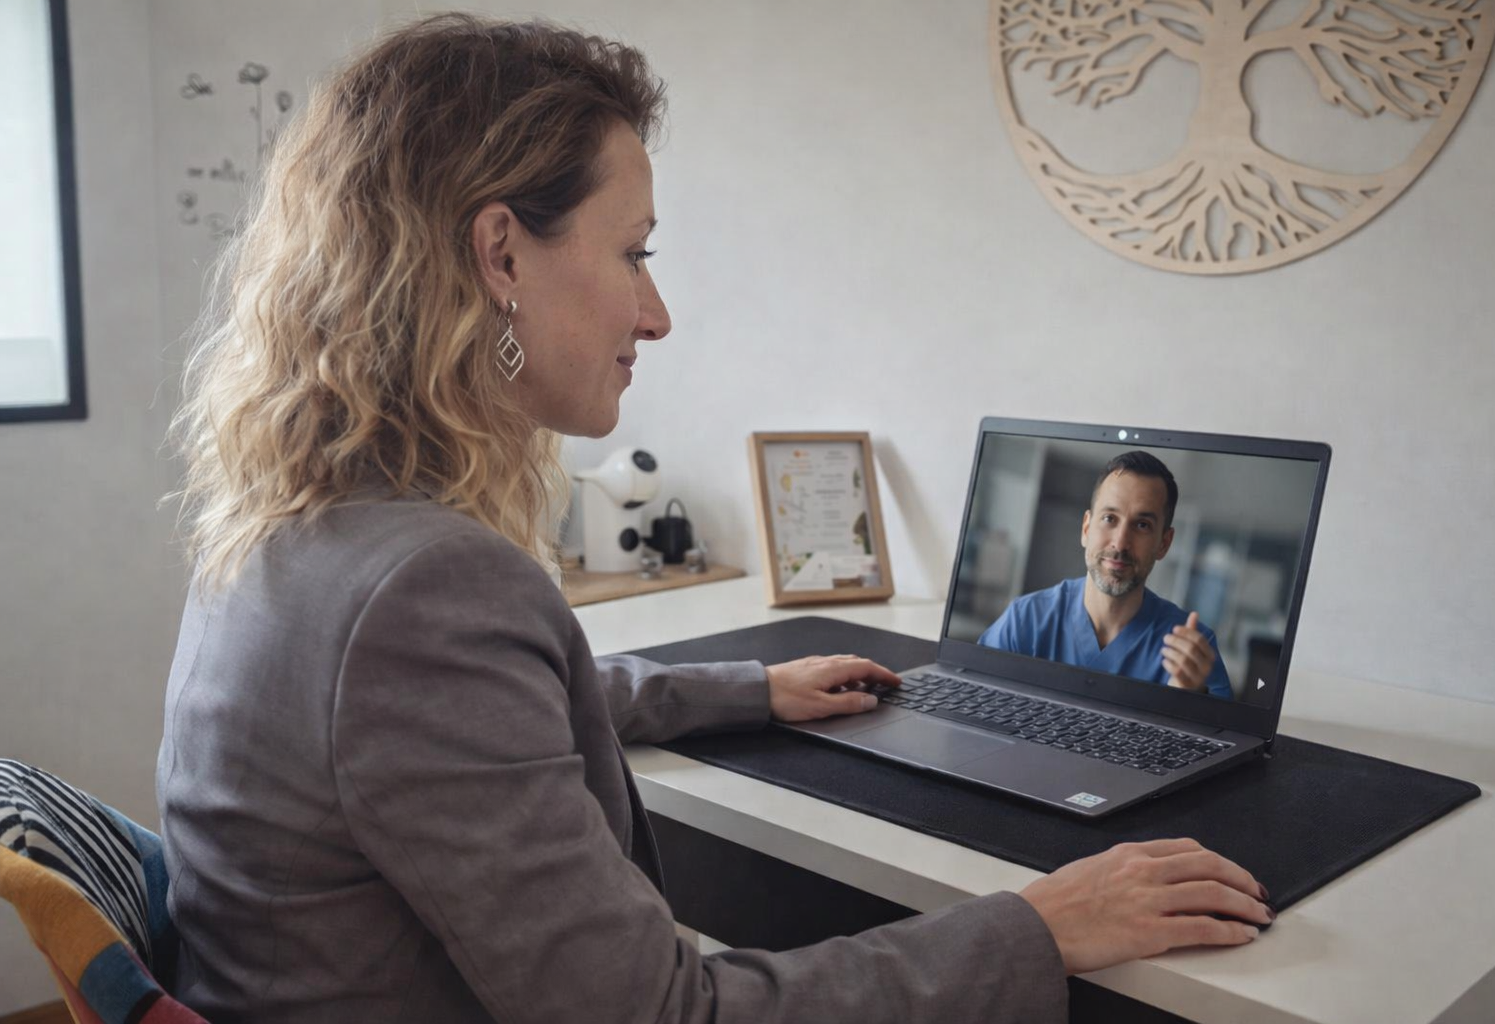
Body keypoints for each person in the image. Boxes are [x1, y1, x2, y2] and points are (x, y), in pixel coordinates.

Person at [157, 15, 1271, 1024]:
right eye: (634, 251)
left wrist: (745, 691)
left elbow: (471, 721)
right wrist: (1038, 926)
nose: (657, 311)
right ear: (500, 254)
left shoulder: (297, 532)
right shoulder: (425, 590)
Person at [979, 451, 1233, 698]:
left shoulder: (1194, 652)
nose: (1120, 543)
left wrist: (1186, 697)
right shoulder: (1025, 622)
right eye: (1110, 518)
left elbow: (1225, 737)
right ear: (1086, 528)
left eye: (1142, 525)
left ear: (1164, 543)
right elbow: (975, 704)